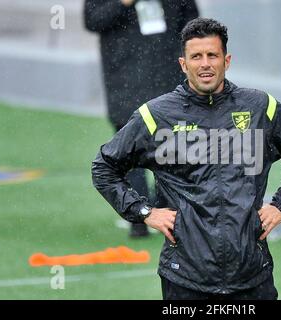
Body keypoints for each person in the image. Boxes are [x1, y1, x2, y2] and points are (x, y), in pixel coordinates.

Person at [91, 18, 281, 300]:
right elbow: (105, 168)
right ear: (183, 64)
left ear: (227, 60)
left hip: (252, 275)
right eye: (196, 57)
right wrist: (144, 212)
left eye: (213, 55)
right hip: (185, 278)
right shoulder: (156, 116)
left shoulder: (261, 108)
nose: (205, 64)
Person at [84, 0, 199, 237]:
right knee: (130, 151)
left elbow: (192, 24)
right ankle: (141, 218)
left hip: (166, 73)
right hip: (125, 75)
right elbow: (93, 19)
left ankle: (173, 213)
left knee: (174, 149)